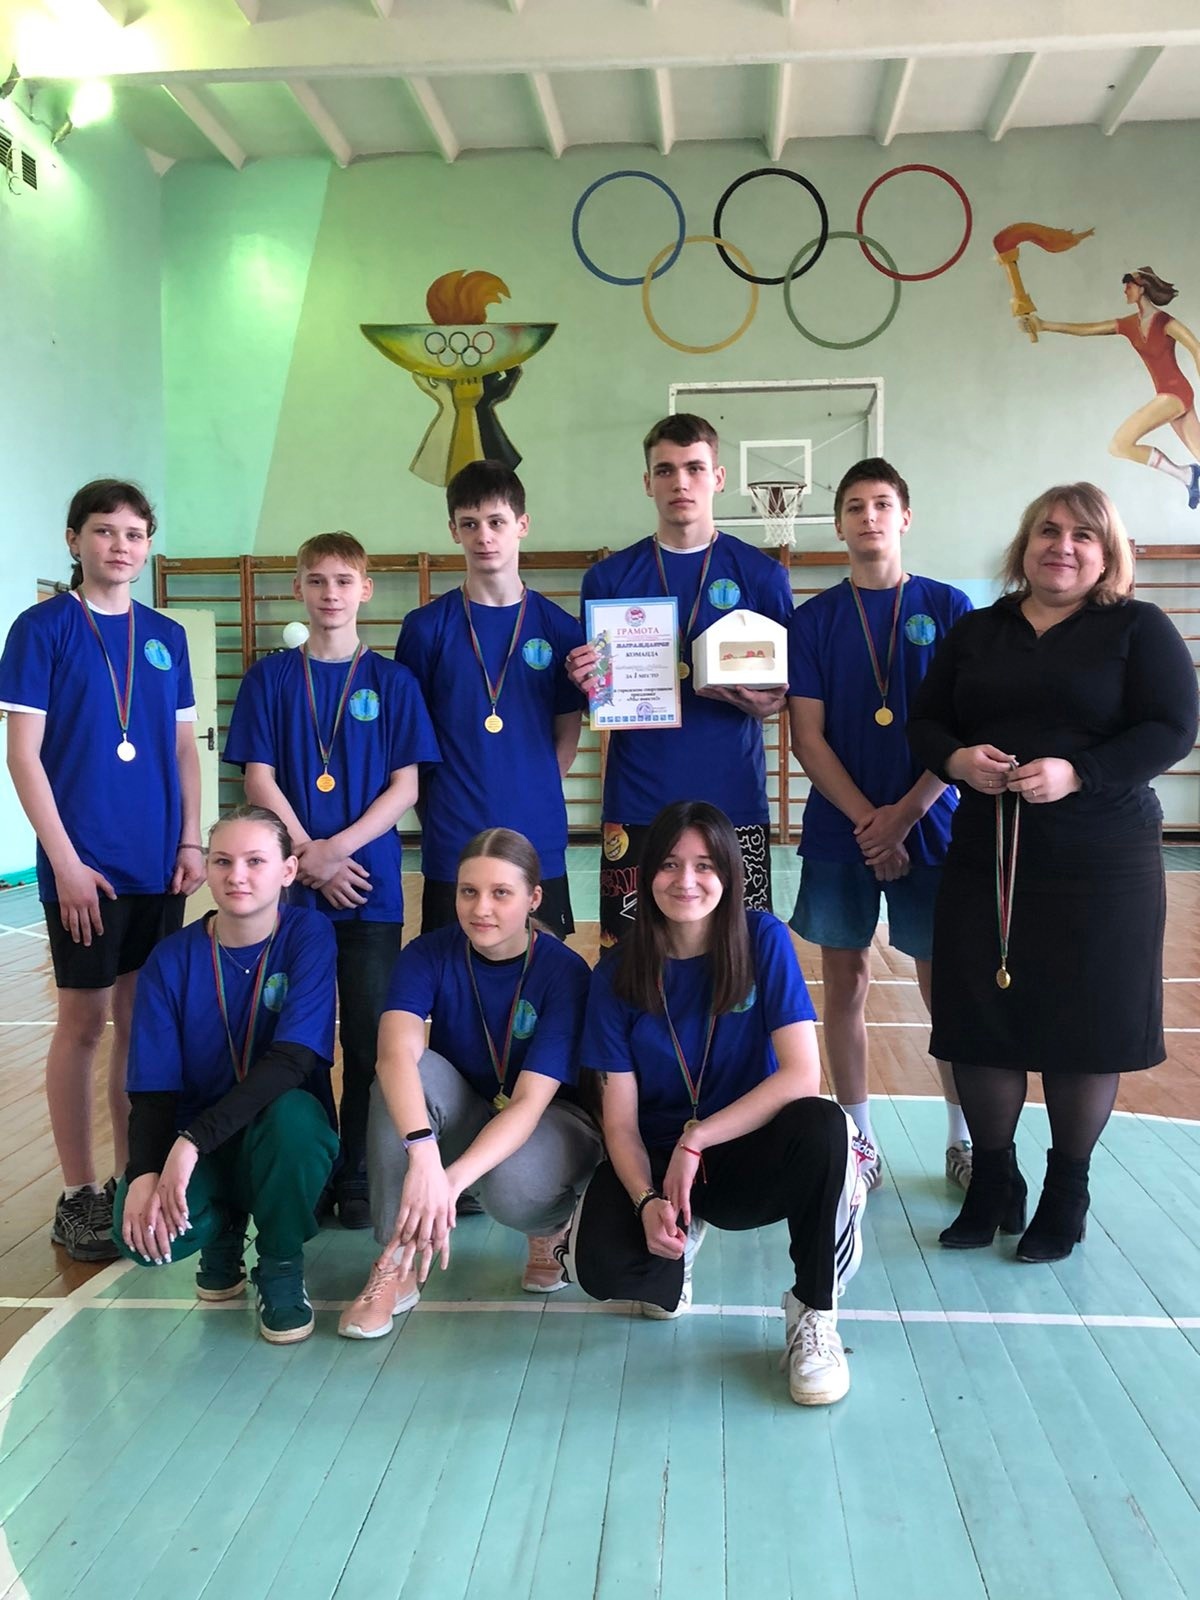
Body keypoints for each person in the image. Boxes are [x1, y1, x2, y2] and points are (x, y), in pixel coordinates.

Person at [908, 483, 1198, 1261]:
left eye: (1081, 535)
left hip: (1101, 865)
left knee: (1084, 1031)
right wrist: (957, 759)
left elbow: (1174, 727)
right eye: (1047, 530)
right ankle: (993, 1183)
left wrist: (1081, 772)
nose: (1061, 546)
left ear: (1106, 554)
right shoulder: (978, 630)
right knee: (980, 1024)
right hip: (987, 857)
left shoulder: (1138, 627)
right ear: (1025, 543)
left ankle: (1067, 1192)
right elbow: (926, 721)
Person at [560, 801, 873, 1407]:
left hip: (744, 1147)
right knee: (599, 1266)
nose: (686, 880)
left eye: (705, 865)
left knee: (822, 1124)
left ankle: (815, 1310)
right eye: (670, 864)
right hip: (661, 1162)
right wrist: (645, 1200)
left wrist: (697, 1137)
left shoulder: (762, 939)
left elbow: (802, 1075)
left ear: (729, 874)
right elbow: (618, 1122)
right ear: (648, 874)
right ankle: (679, 1239)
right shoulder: (617, 972)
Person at [0, 480, 203, 1263]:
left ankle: (131, 1180)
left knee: (141, 1026)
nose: (120, 546)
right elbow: (24, 757)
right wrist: (65, 863)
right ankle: (79, 1192)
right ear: (73, 540)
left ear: (148, 544)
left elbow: (183, 749)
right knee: (82, 1025)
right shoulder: (42, 629)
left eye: (134, 533)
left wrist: (190, 840)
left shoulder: (165, 636)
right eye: (104, 531)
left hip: (157, 865)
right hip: (83, 869)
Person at [224, 531, 440, 1230]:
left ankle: (359, 1170)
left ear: (366, 590)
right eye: (316, 580)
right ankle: (313, 1164)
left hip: (368, 889)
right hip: (289, 893)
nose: (330, 593)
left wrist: (334, 851)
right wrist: (304, 855)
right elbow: (258, 779)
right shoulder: (268, 680)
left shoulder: (394, 683)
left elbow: (406, 787)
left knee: (372, 1039)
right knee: (300, 1035)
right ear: (297, 588)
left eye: (344, 581)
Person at [787, 459, 974, 1190]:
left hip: (933, 819)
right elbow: (807, 738)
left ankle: (964, 1138)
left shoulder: (950, 606)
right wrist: (873, 823)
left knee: (943, 987)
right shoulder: (813, 620)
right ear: (839, 525)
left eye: (883, 504)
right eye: (856, 506)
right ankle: (857, 1142)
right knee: (846, 981)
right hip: (843, 826)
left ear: (906, 517)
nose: (870, 516)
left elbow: (965, 725)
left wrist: (906, 815)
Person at [338, 828, 602, 1339]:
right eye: (468, 891)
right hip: (472, 1107)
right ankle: (396, 1261)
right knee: (401, 1079)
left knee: (510, 1184)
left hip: (551, 1122)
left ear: (534, 898)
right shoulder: (428, 953)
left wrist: (448, 1183)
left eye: (501, 893)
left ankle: (548, 1226)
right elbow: (394, 1054)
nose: (481, 908)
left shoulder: (564, 972)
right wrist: (421, 1153)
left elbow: (527, 1104)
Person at [568, 414, 794, 947]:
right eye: (665, 470)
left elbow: (787, 693)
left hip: (732, 799)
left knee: (738, 958)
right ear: (648, 482)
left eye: (694, 468)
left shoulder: (762, 576)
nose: (680, 482)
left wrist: (770, 704)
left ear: (718, 477)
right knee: (628, 959)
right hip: (637, 800)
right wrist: (586, 685)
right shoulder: (608, 579)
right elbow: (594, 702)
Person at [114, 806, 338, 1342]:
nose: (237, 875)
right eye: (222, 861)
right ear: (207, 870)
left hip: (272, 1135)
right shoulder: (170, 958)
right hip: (197, 1141)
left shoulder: (309, 935)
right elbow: (152, 1088)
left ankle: (280, 1263)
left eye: (255, 861)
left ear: (288, 870)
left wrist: (191, 1142)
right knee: (140, 1237)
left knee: (296, 1122)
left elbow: (293, 1060)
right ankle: (224, 1227)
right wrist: (143, 1172)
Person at [395, 459, 583, 938]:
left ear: (522, 525)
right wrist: (437, 814)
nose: (484, 537)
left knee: (542, 971)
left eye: (497, 522)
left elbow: (566, 731)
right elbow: (412, 742)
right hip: (453, 840)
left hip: (537, 837)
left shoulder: (561, 629)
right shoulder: (424, 629)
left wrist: (533, 789)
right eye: (470, 524)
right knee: (450, 971)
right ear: (453, 530)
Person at [1026, 268, 1200, 508]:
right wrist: (1044, 325)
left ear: (1142, 288)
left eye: (1129, 285)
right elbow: (1087, 330)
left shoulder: (1165, 322)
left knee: (1120, 444)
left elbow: (1196, 348)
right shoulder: (1130, 324)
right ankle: (1188, 475)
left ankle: (1186, 475)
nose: (1125, 290)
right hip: (1168, 395)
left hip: (1176, 393)